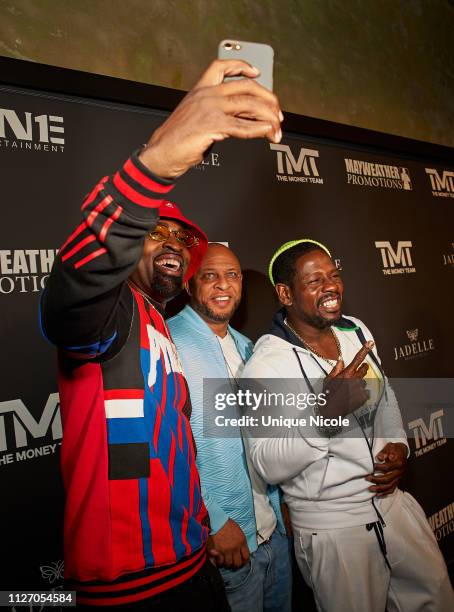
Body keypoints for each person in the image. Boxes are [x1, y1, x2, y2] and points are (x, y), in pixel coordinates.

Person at [40, 59, 283, 609]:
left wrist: (349, 398)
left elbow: (215, 438)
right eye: (155, 233)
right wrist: (157, 162)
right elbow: (76, 287)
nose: (171, 243)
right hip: (132, 583)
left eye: (180, 237)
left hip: (192, 561)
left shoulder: (190, 336)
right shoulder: (113, 313)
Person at [241, 239, 454, 612]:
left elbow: (385, 397)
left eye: (334, 275)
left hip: (393, 505)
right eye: (315, 280)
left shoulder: (354, 330)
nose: (331, 286)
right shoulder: (266, 365)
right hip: (335, 529)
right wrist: (325, 416)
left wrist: (398, 444)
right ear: (285, 293)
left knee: (439, 600)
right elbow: (267, 463)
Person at [168, 243, 292, 612]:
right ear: (190, 284)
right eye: (210, 276)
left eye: (232, 275)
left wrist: (281, 503)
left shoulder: (248, 346)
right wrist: (214, 522)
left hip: (274, 537)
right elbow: (166, 449)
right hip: (226, 547)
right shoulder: (169, 342)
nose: (224, 285)